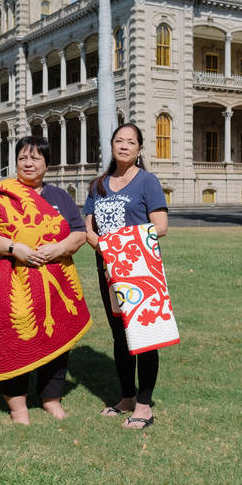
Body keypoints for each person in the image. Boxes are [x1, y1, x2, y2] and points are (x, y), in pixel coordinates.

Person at [0, 136, 90, 425]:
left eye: (35, 158)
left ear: (47, 164)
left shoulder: (60, 197)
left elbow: (79, 233)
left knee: (57, 338)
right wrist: (13, 248)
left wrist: (57, 249)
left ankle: (51, 399)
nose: (28, 163)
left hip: (55, 282)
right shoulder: (1, 195)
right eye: (22, 158)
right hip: (10, 281)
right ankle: (18, 407)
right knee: (12, 339)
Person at [83, 123, 169, 429]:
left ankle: (144, 407)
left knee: (144, 335)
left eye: (130, 142)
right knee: (119, 335)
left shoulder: (148, 181)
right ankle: (127, 398)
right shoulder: (99, 185)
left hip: (139, 266)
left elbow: (160, 226)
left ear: (139, 149)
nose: (124, 146)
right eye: (119, 140)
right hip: (107, 268)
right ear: (111, 145)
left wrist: (119, 244)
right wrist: (101, 245)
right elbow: (89, 226)